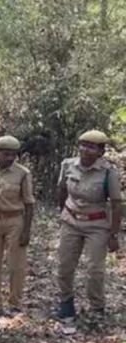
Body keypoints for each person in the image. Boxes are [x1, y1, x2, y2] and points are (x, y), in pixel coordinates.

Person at [56, 130, 122, 321]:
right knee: (65, 265)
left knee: (95, 269)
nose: (85, 150)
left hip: (97, 224)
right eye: (83, 145)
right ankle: (66, 302)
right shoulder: (68, 165)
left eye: (91, 147)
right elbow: (61, 190)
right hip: (71, 221)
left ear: (101, 152)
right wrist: (63, 214)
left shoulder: (108, 173)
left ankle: (96, 308)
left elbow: (117, 204)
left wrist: (113, 234)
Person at [0, 135, 35, 317]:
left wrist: (26, 231)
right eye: (6, 154)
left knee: (16, 265)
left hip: (15, 220)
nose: (10, 158)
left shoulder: (22, 173)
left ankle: (15, 303)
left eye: (14, 154)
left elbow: (29, 203)